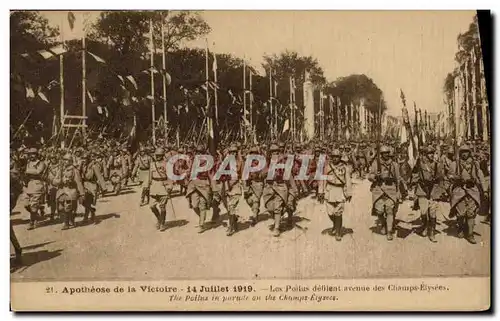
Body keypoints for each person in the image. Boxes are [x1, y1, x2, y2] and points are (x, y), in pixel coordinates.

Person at [448, 144, 488, 244]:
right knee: (461, 214)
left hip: (472, 191)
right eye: (462, 152)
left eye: (466, 152)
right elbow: (449, 175)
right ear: (460, 153)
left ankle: (470, 234)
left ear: (469, 153)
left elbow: (481, 177)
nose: (464, 154)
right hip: (459, 191)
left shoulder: (475, 164)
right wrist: (455, 178)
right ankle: (461, 228)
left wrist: (485, 190)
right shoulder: (454, 164)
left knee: (471, 214)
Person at [410, 146, 445, 243]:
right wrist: (414, 182)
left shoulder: (437, 165)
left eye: (432, 153)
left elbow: (441, 178)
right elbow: (414, 173)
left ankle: (432, 232)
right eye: (429, 154)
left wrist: (441, 190)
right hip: (422, 190)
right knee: (424, 212)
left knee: (432, 212)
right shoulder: (420, 163)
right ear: (425, 154)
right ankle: (425, 226)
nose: (431, 155)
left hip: (433, 190)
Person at [368, 145, 402, 241]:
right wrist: (375, 176)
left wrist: (398, 191)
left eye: (387, 153)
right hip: (378, 189)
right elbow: (369, 175)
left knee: (390, 209)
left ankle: (389, 231)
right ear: (381, 154)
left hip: (390, 188)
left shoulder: (394, 164)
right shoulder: (376, 164)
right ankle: (383, 223)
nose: (386, 155)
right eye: (384, 153)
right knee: (379, 210)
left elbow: (398, 179)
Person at [318, 148, 352, 241]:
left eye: (337, 157)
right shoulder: (327, 167)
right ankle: (336, 225)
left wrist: (348, 193)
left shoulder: (345, 167)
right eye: (333, 157)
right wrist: (321, 191)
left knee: (338, 212)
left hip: (340, 190)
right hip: (329, 190)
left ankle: (338, 232)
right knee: (330, 212)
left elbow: (348, 181)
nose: (335, 159)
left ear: (340, 157)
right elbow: (322, 179)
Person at [262, 144, 290, 237]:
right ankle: (278, 218)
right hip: (269, 186)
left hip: (280, 186)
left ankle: (277, 227)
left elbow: (288, 175)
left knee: (277, 207)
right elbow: (262, 173)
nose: (275, 154)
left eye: (276, 152)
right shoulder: (267, 162)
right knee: (269, 207)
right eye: (273, 152)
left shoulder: (284, 161)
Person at [144, 147, 174, 231]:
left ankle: (162, 223)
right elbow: (149, 176)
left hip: (163, 186)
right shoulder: (152, 164)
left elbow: (170, 176)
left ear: (162, 155)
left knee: (162, 206)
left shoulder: (167, 164)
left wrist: (170, 186)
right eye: (156, 155)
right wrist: (147, 186)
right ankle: (159, 219)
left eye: (159, 156)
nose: (157, 157)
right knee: (152, 206)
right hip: (154, 186)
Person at [186, 145, 213, 233]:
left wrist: (213, 186)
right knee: (194, 205)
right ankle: (202, 218)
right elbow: (190, 171)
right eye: (197, 152)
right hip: (194, 184)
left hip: (204, 184)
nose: (199, 154)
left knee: (202, 205)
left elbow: (210, 174)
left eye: (200, 152)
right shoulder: (193, 160)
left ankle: (201, 224)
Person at [57, 153, 85, 230]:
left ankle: (66, 224)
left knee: (68, 207)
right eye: (64, 160)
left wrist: (82, 194)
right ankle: (71, 219)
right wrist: (59, 181)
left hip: (71, 191)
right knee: (61, 208)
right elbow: (56, 179)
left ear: (70, 161)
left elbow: (78, 182)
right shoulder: (61, 169)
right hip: (62, 191)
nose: (65, 161)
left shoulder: (74, 170)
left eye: (67, 160)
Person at [81, 149, 107, 223]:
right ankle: (91, 210)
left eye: (85, 158)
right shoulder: (82, 165)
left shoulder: (94, 166)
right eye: (82, 158)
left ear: (88, 159)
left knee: (88, 201)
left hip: (92, 185)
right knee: (83, 201)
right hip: (84, 184)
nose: (84, 160)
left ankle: (86, 216)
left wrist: (104, 187)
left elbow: (99, 176)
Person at [24, 147, 47, 230]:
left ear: (37, 155)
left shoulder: (41, 163)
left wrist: (27, 171)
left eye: (33, 154)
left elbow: (38, 172)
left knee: (33, 205)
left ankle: (31, 222)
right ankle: (36, 215)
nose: (31, 156)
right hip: (30, 185)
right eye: (30, 154)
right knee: (26, 204)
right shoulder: (29, 163)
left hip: (37, 185)